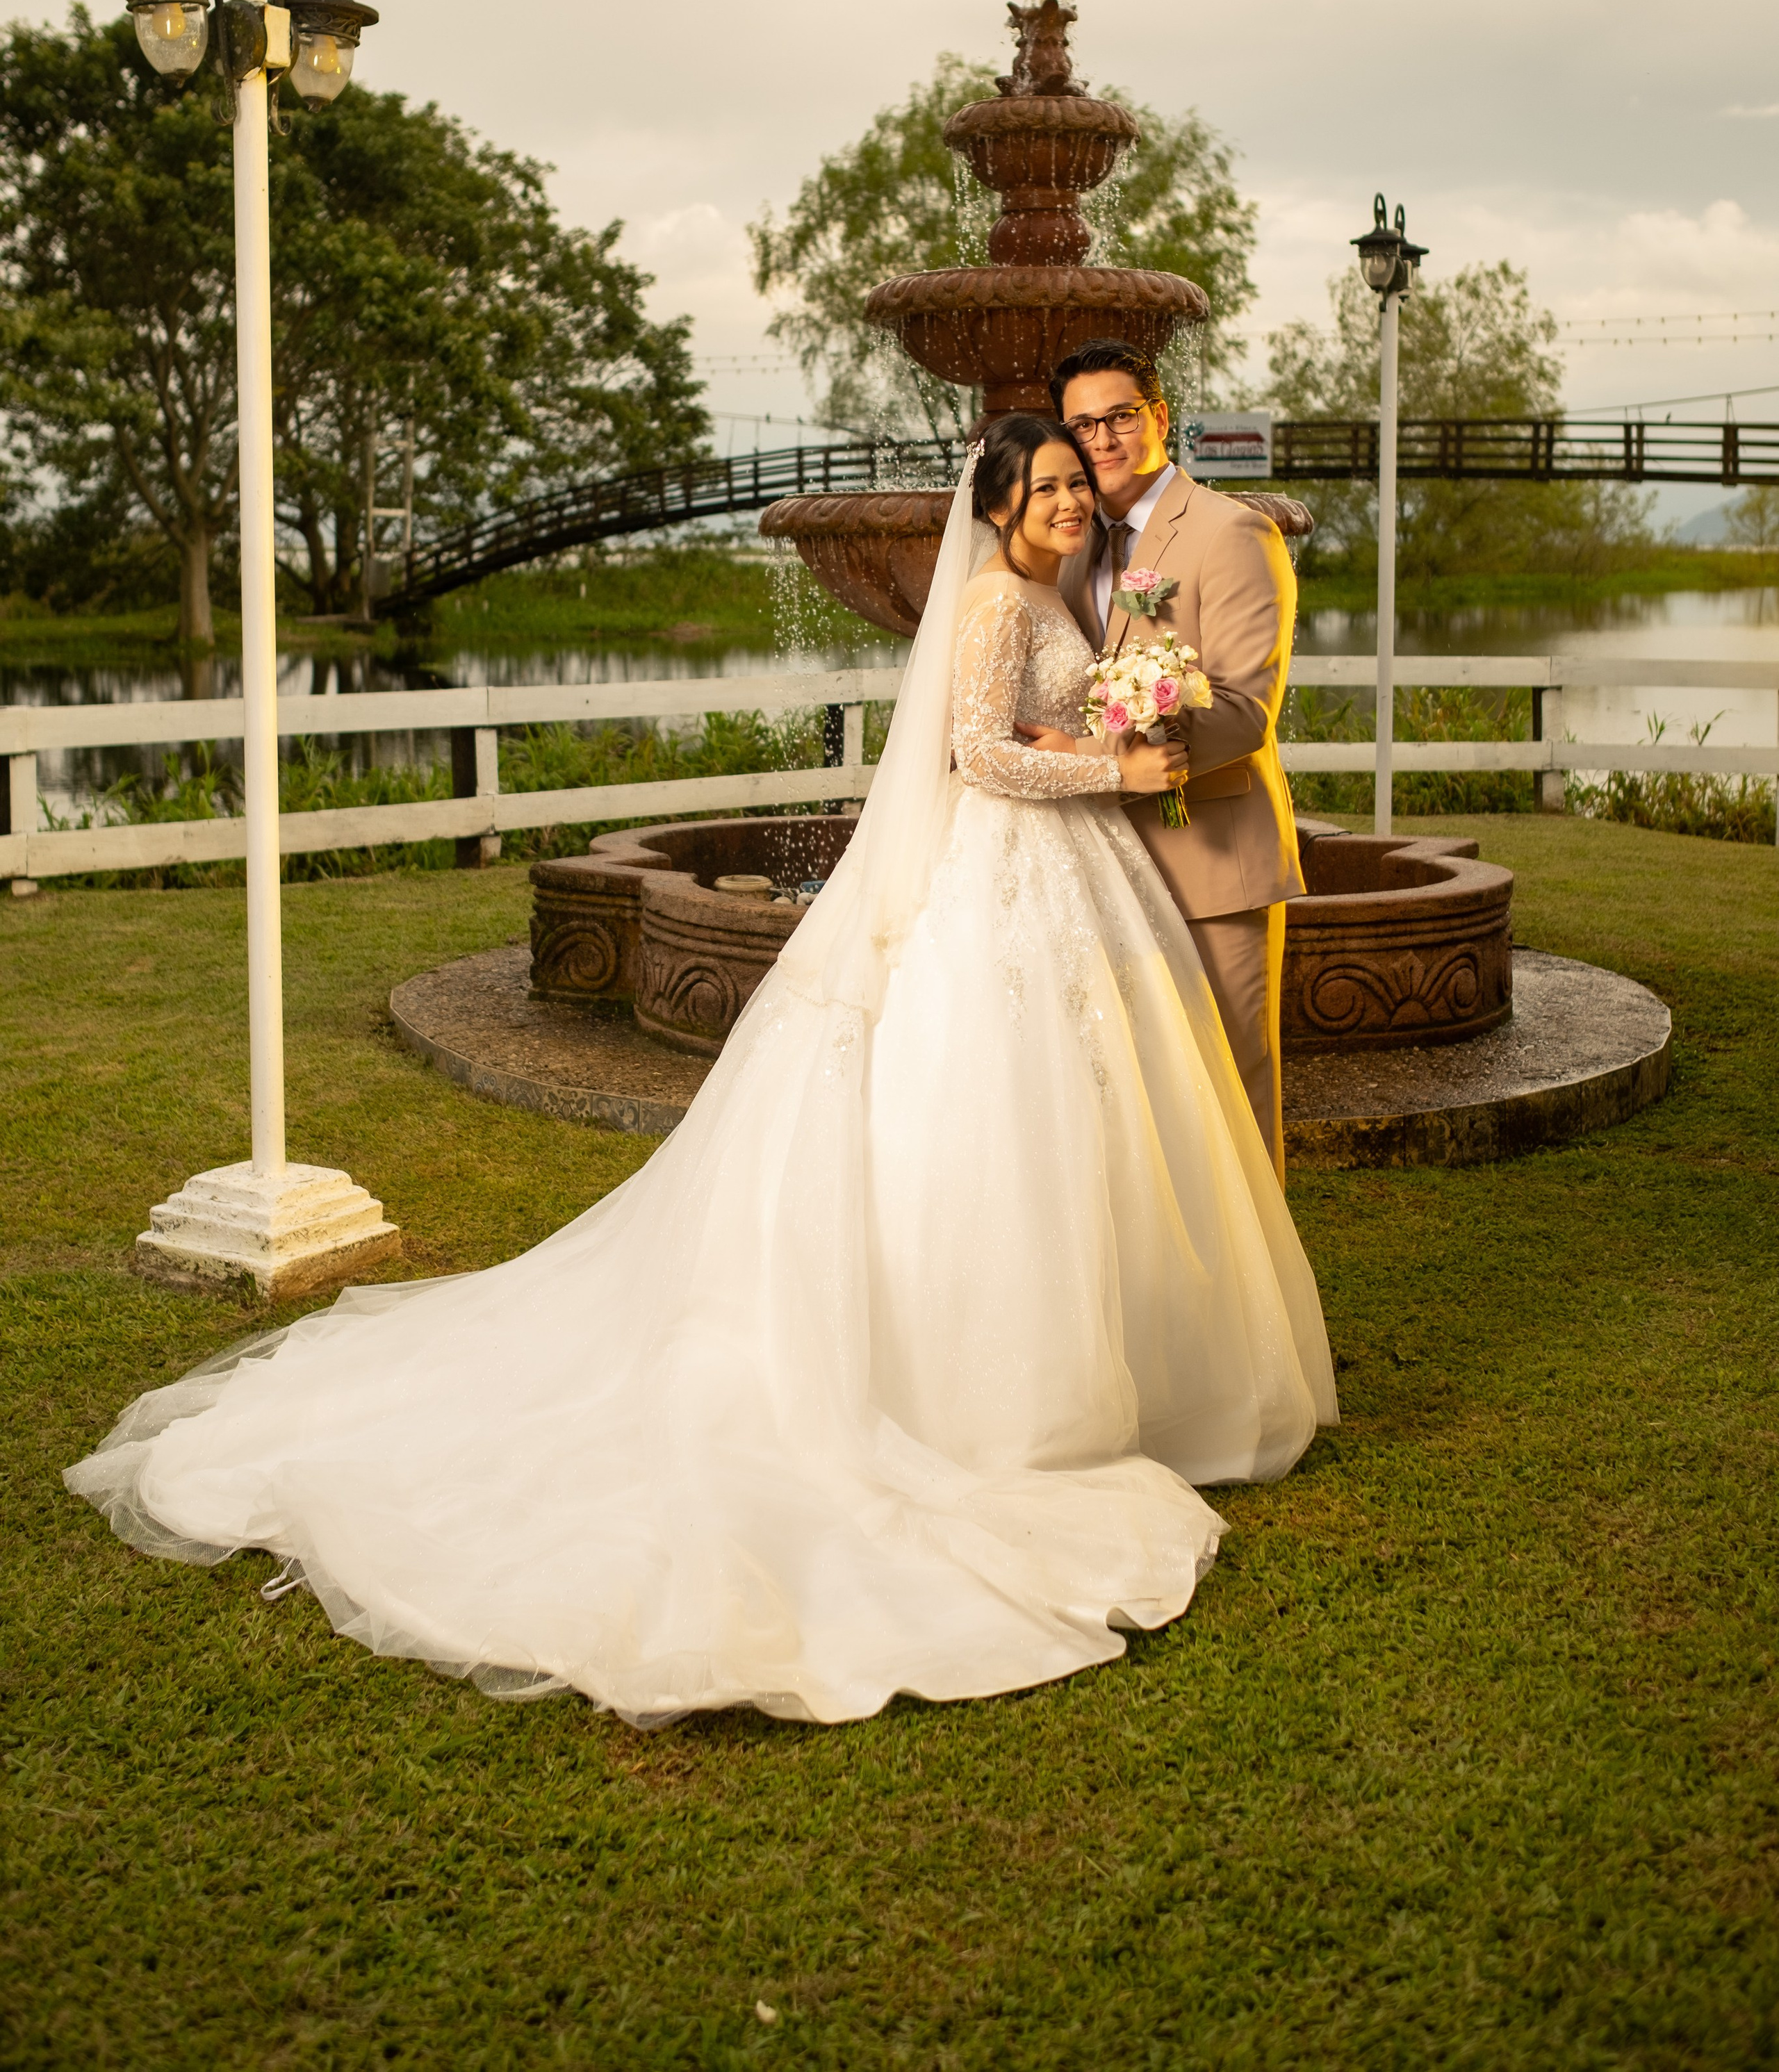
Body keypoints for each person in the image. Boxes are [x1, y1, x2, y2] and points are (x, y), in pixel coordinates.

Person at [66, 415, 1336, 1731]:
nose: (1073, 501)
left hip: (1058, 886)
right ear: (1002, 505)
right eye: (1050, 487)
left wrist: (1134, 721)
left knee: (1073, 1127)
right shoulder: (992, 603)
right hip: (1007, 880)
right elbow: (978, 758)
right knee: (986, 1125)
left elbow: (1018, 732)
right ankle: (998, 1405)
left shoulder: (1051, 592)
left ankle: (1119, 1367)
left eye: (1080, 483)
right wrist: (1108, 762)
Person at [1036, 343, 1305, 1181]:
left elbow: (1243, 714)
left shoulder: (1232, 532)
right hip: (1104, 866)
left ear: (1158, 417)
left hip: (1213, 861)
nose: (1103, 438)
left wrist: (1088, 756)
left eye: (1119, 416)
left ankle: (1256, 1307)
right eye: (1083, 425)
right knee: (1137, 1101)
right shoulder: (1076, 546)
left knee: (1232, 1090)